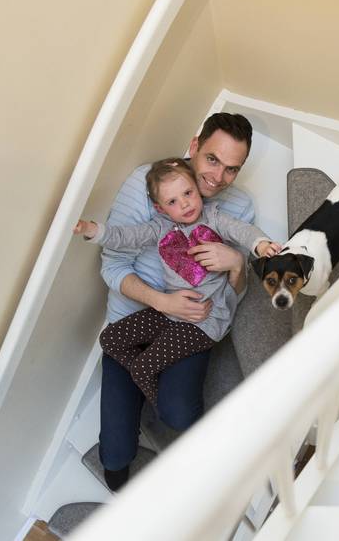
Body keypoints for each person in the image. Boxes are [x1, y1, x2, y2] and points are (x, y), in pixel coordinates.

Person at [97, 113, 257, 491]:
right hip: (137, 316)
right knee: (114, 459)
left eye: (231, 169)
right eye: (212, 159)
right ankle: (141, 382)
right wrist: (161, 302)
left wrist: (237, 264)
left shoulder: (238, 207)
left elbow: (235, 295)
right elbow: (112, 265)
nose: (217, 178)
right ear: (194, 145)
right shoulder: (149, 182)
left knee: (178, 415)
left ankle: (162, 392)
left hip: (192, 323)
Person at [75, 158, 279, 405]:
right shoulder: (159, 227)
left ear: (197, 189)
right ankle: (158, 382)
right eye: (172, 201)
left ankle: (160, 402)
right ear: (161, 209)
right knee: (109, 339)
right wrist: (91, 230)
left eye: (188, 193)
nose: (184, 203)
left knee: (141, 369)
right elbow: (125, 236)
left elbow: (241, 230)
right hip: (171, 312)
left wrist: (261, 244)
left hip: (204, 320)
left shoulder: (214, 218)